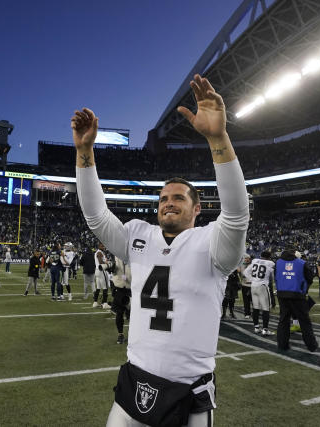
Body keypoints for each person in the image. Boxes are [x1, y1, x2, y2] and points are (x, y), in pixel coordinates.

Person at [73, 74, 249, 426]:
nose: (169, 203)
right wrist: (84, 153)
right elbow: (95, 216)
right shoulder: (139, 237)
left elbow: (237, 213)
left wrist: (218, 138)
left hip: (188, 391)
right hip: (135, 383)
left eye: (179, 198)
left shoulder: (214, 245)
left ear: (197, 208)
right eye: (164, 198)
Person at [274, 248, 318, 352]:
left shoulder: (278, 263)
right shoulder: (301, 263)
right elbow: (310, 278)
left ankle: (282, 345)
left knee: (283, 320)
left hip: (282, 294)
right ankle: (311, 345)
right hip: (297, 295)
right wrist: (304, 289)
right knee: (304, 321)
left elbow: (276, 277)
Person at [244, 250, 275, 336]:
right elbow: (271, 277)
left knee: (255, 307)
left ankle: (256, 327)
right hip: (262, 286)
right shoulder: (270, 263)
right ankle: (265, 329)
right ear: (269, 257)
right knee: (266, 309)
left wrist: (253, 280)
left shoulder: (254, 261)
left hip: (253, 286)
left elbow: (245, 272)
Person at [112, 256, 131, 345]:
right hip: (119, 287)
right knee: (119, 313)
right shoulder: (116, 254)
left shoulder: (133, 254)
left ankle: (132, 335)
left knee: (132, 313)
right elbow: (113, 268)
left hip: (131, 288)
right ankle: (120, 334)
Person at [93, 242, 111, 309]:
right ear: (99, 246)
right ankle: (105, 303)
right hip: (101, 270)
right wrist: (107, 263)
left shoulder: (99, 252)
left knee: (98, 287)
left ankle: (95, 302)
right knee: (105, 287)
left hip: (97, 270)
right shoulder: (99, 252)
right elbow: (100, 261)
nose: (103, 247)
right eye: (102, 246)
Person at [240, 254, 253, 319]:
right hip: (244, 285)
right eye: (245, 258)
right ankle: (247, 313)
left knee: (253, 300)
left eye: (248, 258)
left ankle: (254, 313)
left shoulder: (253, 265)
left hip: (252, 285)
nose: (247, 259)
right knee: (246, 300)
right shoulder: (241, 265)